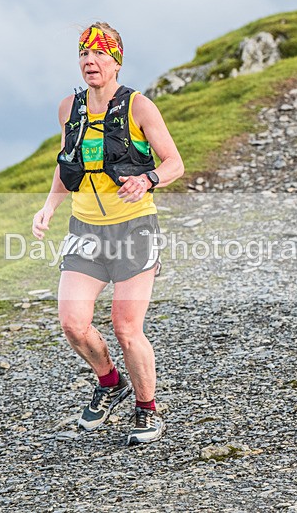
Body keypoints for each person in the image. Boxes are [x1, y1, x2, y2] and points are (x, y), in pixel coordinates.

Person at [31, 22, 184, 445]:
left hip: (134, 229)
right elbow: (67, 167)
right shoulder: (69, 108)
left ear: (116, 60)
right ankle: (110, 381)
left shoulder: (139, 106)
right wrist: (48, 207)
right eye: (84, 54)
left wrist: (148, 178)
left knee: (126, 328)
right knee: (73, 324)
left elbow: (175, 163)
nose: (90, 61)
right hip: (85, 230)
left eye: (100, 54)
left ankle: (147, 410)